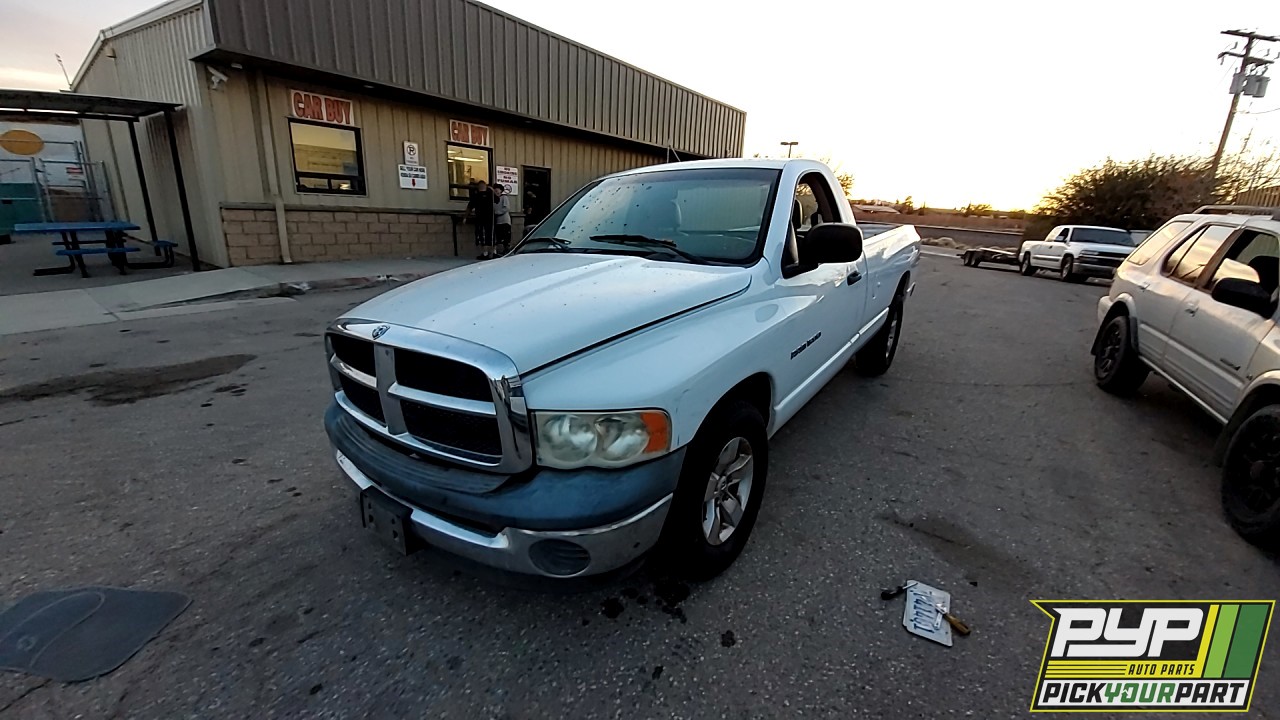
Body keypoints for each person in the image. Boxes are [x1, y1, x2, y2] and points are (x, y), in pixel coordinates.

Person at [465, 180, 497, 260]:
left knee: (483, 235)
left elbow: (469, 207)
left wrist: (465, 217)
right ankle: (493, 252)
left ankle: (486, 253)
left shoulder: (476, 196)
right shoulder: (490, 195)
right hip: (490, 218)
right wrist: (493, 191)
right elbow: (498, 200)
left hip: (481, 218)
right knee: (491, 234)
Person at [493, 184, 512, 256]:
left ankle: (506, 250)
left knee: (506, 237)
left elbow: (506, 208)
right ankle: (499, 251)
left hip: (504, 221)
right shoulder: (494, 199)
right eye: (495, 190)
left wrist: (497, 212)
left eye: (497, 189)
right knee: (499, 237)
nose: (496, 191)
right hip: (497, 222)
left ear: (501, 190)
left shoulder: (504, 197)